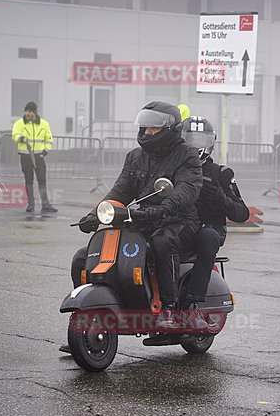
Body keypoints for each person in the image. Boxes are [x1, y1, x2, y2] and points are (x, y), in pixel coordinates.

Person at [73, 101, 202, 327]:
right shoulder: (135, 157)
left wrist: (164, 208)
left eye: (154, 128)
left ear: (170, 128)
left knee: (163, 242)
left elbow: (186, 191)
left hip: (180, 221)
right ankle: (87, 314)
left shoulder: (187, 156)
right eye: (145, 127)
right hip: (144, 219)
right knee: (84, 256)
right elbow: (119, 191)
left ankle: (169, 310)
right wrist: (95, 214)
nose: (147, 132)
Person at [180, 116, 249, 313]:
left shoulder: (222, 173)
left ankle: (193, 301)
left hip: (209, 228)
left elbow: (242, 213)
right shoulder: (172, 169)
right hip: (178, 225)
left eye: (201, 140)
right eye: (191, 140)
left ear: (210, 143)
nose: (195, 145)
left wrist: (221, 198)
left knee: (207, 237)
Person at [12, 101, 57, 213]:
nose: (27, 113)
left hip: (39, 157)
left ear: (34, 112)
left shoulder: (44, 124)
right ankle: (30, 204)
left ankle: (45, 205)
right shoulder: (19, 123)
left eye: (30, 111)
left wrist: (44, 152)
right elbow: (15, 135)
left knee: (42, 180)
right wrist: (22, 138)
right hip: (25, 156)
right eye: (26, 111)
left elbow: (49, 140)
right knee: (29, 181)